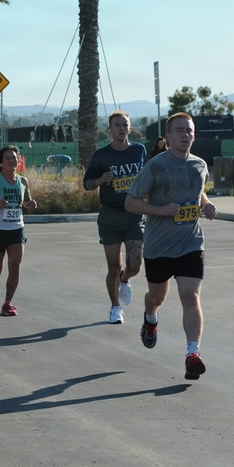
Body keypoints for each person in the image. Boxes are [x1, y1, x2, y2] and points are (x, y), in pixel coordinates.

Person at [124, 112, 217, 381]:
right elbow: (131, 202)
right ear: (168, 136)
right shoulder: (155, 167)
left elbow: (198, 190)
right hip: (159, 246)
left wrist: (206, 205)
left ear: (194, 135)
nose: (185, 135)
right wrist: (161, 210)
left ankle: (192, 354)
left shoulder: (200, 165)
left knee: (191, 297)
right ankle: (150, 318)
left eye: (189, 130)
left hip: (190, 242)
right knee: (157, 298)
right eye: (179, 131)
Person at [83, 110, 148, 325]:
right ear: (109, 129)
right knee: (113, 266)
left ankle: (125, 279)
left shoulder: (139, 150)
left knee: (136, 263)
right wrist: (101, 179)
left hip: (134, 214)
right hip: (110, 216)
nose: (121, 128)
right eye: (117, 125)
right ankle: (115, 307)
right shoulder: (102, 155)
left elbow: (150, 176)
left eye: (124, 124)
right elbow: (87, 184)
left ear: (130, 128)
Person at [0, 145, 38, 316]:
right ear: (1, 163)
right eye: (8, 158)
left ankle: (7, 303)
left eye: (14, 157)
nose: (12, 160)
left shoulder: (23, 181)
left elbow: (25, 201)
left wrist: (31, 204)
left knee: (15, 266)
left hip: (16, 229)